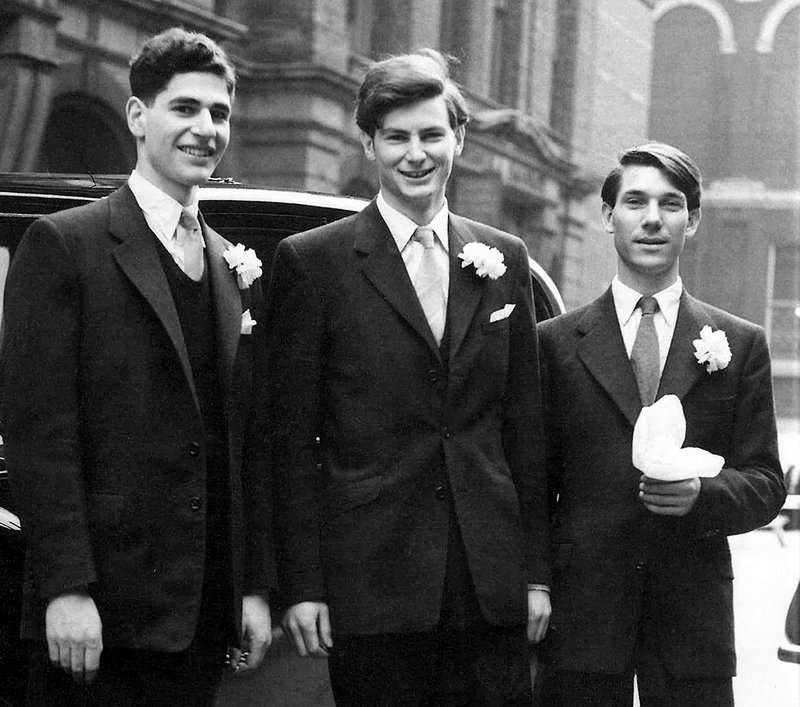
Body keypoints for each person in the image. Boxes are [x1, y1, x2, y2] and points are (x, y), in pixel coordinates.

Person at [265, 49, 551, 705]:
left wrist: (535, 574)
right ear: (369, 142)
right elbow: (288, 442)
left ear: (459, 138)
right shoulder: (314, 263)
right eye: (396, 136)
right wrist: (304, 585)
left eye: (431, 134)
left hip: (489, 588)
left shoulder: (505, 258)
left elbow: (525, 430)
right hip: (372, 588)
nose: (415, 154)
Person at [0, 27, 274, 705]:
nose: (206, 128)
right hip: (100, 616)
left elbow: (243, 444)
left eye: (220, 113)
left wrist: (251, 587)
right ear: (137, 116)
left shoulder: (231, 264)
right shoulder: (65, 245)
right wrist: (66, 589)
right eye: (185, 108)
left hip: (201, 620)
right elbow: (41, 435)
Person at [536, 142, 787, 707]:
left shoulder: (739, 344)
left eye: (670, 204)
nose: (652, 219)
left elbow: (768, 482)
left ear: (692, 220)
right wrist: (535, 584)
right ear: (608, 217)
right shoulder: (553, 344)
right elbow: (531, 483)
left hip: (691, 617)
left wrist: (705, 493)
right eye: (634, 202)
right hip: (583, 617)